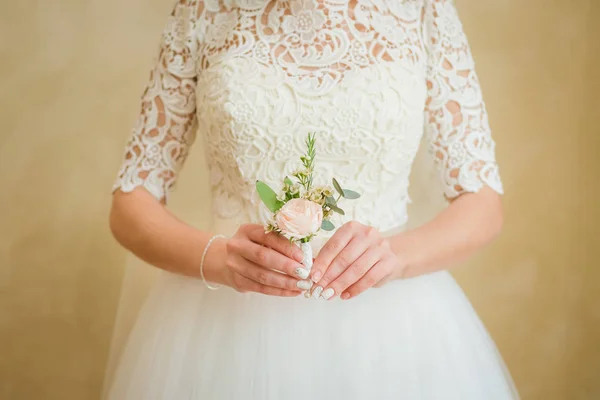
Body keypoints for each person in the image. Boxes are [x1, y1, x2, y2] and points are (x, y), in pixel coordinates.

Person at [106, 0, 520, 398]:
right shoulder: (203, 9)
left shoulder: (423, 8)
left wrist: (394, 256)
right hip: (226, 327)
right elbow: (131, 201)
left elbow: (481, 201)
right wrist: (220, 257)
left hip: (390, 332)